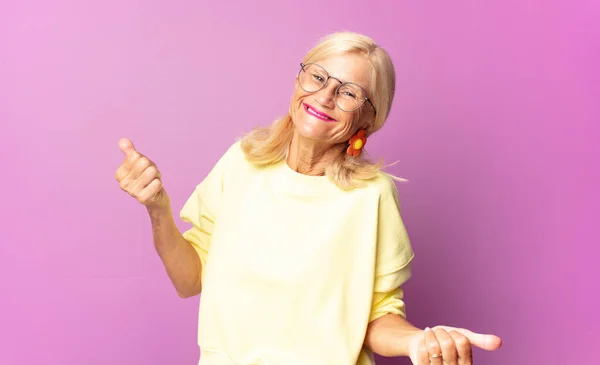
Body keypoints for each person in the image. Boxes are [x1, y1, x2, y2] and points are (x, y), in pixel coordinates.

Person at [115, 32, 502, 365]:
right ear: (299, 82)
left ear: (369, 119)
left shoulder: (371, 196)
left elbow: (377, 317)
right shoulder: (241, 162)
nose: (326, 95)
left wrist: (419, 341)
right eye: (318, 76)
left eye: (349, 92)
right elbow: (190, 280)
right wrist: (158, 207)